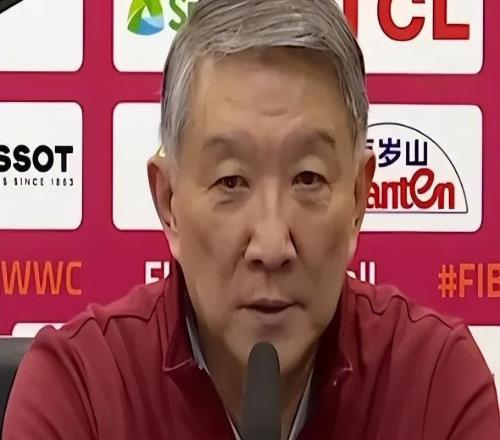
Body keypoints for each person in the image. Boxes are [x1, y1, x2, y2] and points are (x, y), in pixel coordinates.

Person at [3, 1, 499, 439]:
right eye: (231, 181)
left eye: (308, 178)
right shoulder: (80, 393)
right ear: (169, 203)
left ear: (357, 198)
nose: (272, 245)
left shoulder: (436, 385)